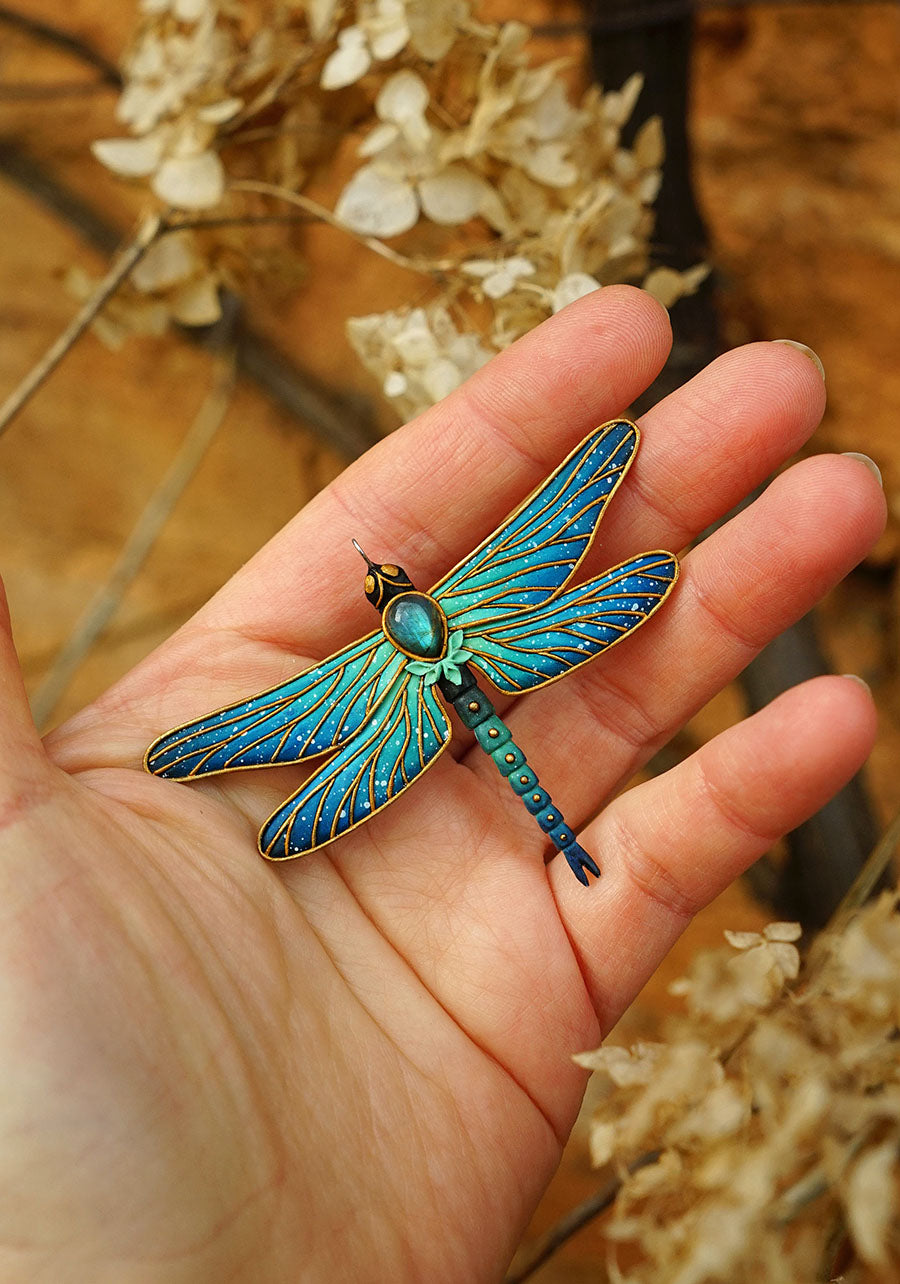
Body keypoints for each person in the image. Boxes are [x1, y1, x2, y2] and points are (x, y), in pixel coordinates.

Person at [0, 286, 885, 1282]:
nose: (392, 595)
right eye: (390, 592)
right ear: (412, 601)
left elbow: (260, 731)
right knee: (630, 559)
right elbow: (574, 504)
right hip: (503, 644)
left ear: (387, 611)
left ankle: (564, 834)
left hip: (419, 711)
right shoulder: (461, 601)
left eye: (387, 590)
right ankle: (567, 834)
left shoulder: (362, 671)